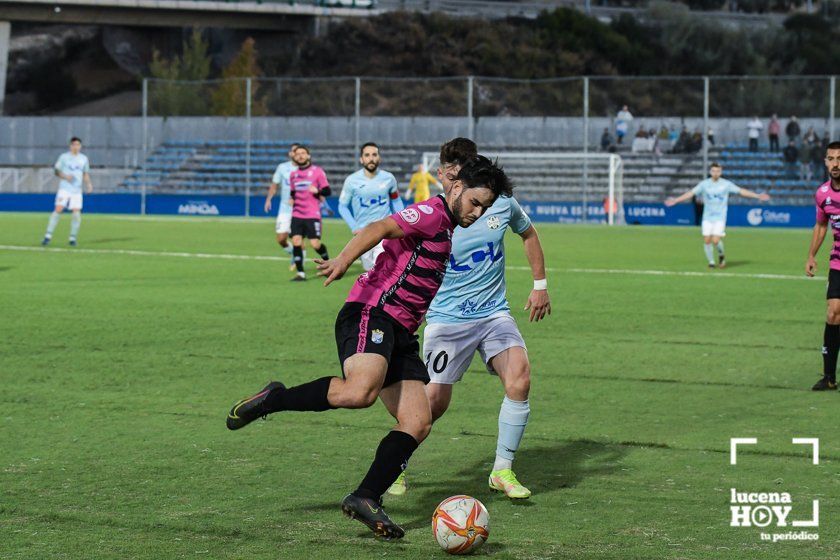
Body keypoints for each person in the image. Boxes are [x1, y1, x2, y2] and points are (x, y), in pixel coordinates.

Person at [225, 150, 514, 540]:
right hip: (372, 312)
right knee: (360, 391)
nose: (477, 213)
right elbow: (379, 227)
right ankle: (274, 398)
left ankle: (365, 496)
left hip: (402, 333)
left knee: (418, 421)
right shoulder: (432, 213)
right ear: (458, 187)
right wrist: (344, 259)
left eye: (486, 208)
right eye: (475, 203)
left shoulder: (447, 227)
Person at [388, 139, 551, 500]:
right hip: (447, 320)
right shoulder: (433, 214)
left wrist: (540, 285)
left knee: (520, 379)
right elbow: (400, 258)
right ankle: (395, 465)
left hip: (494, 314)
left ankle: (502, 470)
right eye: (448, 168)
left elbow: (528, 233)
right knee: (432, 404)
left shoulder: (500, 204)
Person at [665, 163, 770, 268]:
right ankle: (711, 262)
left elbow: (741, 191)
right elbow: (691, 193)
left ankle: (721, 255)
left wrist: (757, 195)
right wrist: (676, 200)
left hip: (720, 217)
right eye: (714, 171)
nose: (715, 173)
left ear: (721, 172)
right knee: (706, 240)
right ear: (710, 172)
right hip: (707, 217)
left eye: (718, 171)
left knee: (715, 240)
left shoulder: (726, 184)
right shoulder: (704, 184)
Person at [338, 142, 404, 271]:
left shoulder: (389, 178)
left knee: (383, 269)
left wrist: (402, 221)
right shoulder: (352, 180)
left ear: (379, 158)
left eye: (374, 154)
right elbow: (342, 206)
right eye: (367, 155)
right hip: (364, 233)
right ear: (361, 159)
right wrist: (354, 227)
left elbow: (396, 200)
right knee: (370, 270)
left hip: (386, 230)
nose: (371, 158)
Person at [806, 141, 840, 391]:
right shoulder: (822, 194)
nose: (836, 163)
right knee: (833, 313)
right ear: (826, 161)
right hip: (838, 261)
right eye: (831, 158)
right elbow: (821, 226)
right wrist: (811, 255)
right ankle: (829, 377)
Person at [288, 145, 331, 281]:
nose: (300, 155)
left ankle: (327, 263)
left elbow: (327, 191)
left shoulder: (317, 171)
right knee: (296, 241)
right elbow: (293, 191)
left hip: (312, 214)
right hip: (297, 214)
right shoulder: (293, 175)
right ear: (294, 157)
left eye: (303, 153)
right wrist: (292, 198)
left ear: (308, 156)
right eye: (298, 154)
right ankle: (301, 273)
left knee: (315, 244)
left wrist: (317, 191)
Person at [41, 137, 92, 246]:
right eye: (74, 144)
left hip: (77, 190)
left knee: (76, 212)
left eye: (78, 145)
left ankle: (72, 238)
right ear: (70, 146)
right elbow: (56, 171)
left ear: (80, 146)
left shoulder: (84, 159)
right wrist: (65, 176)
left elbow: (85, 173)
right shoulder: (64, 157)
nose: (76, 147)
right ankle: (48, 236)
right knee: (58, 209)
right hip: (65, 188)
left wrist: (88, 184)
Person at [264, 143, 299, 271]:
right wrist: (269, 199)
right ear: (290, 154)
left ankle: (300, 269)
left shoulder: (306, 170)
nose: (296, 154)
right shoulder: (282, 167)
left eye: (298, 151)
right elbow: (275, 185)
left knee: (297, 237)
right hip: (284, 208)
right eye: (294, 151)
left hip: (300, 208)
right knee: (281, 239)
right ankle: (294, 253)